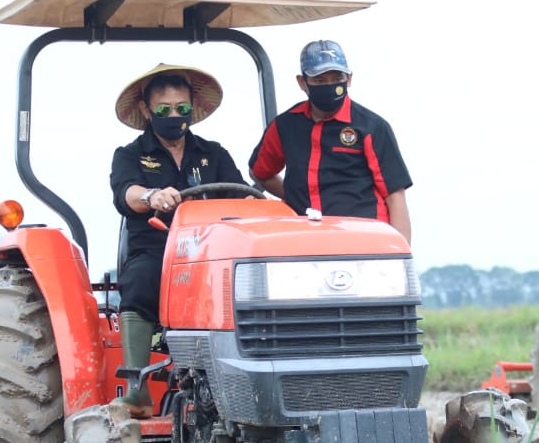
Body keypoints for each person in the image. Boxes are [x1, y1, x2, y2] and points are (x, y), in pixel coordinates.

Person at [109, 63, 248, 415]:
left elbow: (241, 195)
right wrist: (151, 196)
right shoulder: (130, 155)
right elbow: (126, 193)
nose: (175, 116)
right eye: (165, 109)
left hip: (211, 253)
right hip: (158, 249)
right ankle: (138, 389)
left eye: (182, 109)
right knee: (140, 280)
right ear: (146, 110)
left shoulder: (213, 154)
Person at [249, 40, 412, 242]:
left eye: (337, 78)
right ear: (302, 82)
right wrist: (296, 195)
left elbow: (395, 195)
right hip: (306, 239)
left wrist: (401, 254)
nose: (329, 85)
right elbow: (260, 172)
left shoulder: (372, 127)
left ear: (349, 79)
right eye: (319, 80)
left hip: (365, 238)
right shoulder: (285, 125)